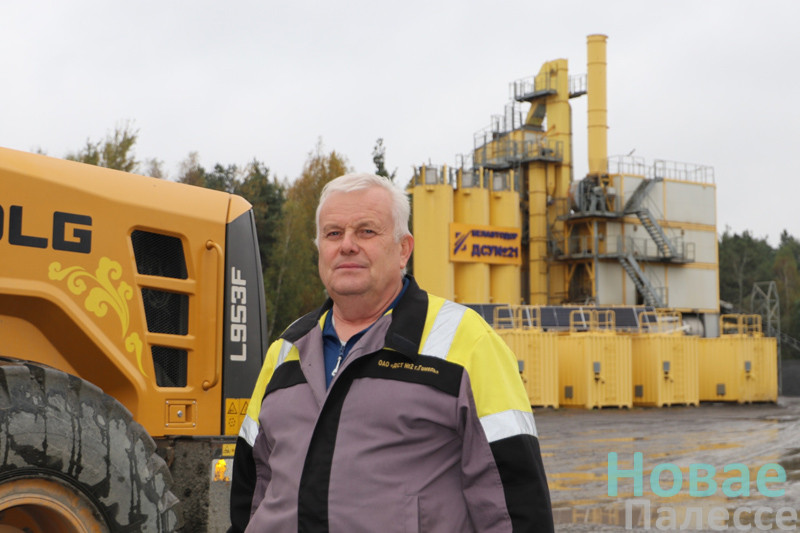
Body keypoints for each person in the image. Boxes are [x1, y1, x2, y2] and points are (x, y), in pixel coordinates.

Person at [228, 172, 554, 532]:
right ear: (320, 248)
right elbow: (250, 491)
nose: (347, 245)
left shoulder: (468, 342)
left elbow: (514, 503)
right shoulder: (286, 349)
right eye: (333, 233)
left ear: (403, 249)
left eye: (366, 231)